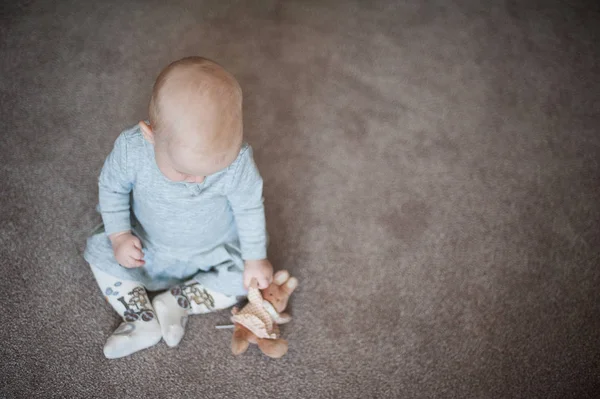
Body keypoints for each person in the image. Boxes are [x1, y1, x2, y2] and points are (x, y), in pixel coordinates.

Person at [84, 56, 273, 358]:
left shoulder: (238, 162)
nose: (197, 180)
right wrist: (119, 236)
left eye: (212, 170)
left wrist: (255, 258)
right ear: (151, 134)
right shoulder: (133, 148)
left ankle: (178, 301)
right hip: (148, 245)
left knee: (245, 278)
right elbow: (111, 187)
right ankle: (139, 317)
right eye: (184, 172)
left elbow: (249, 208)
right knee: (100, 252)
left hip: (213, 250)